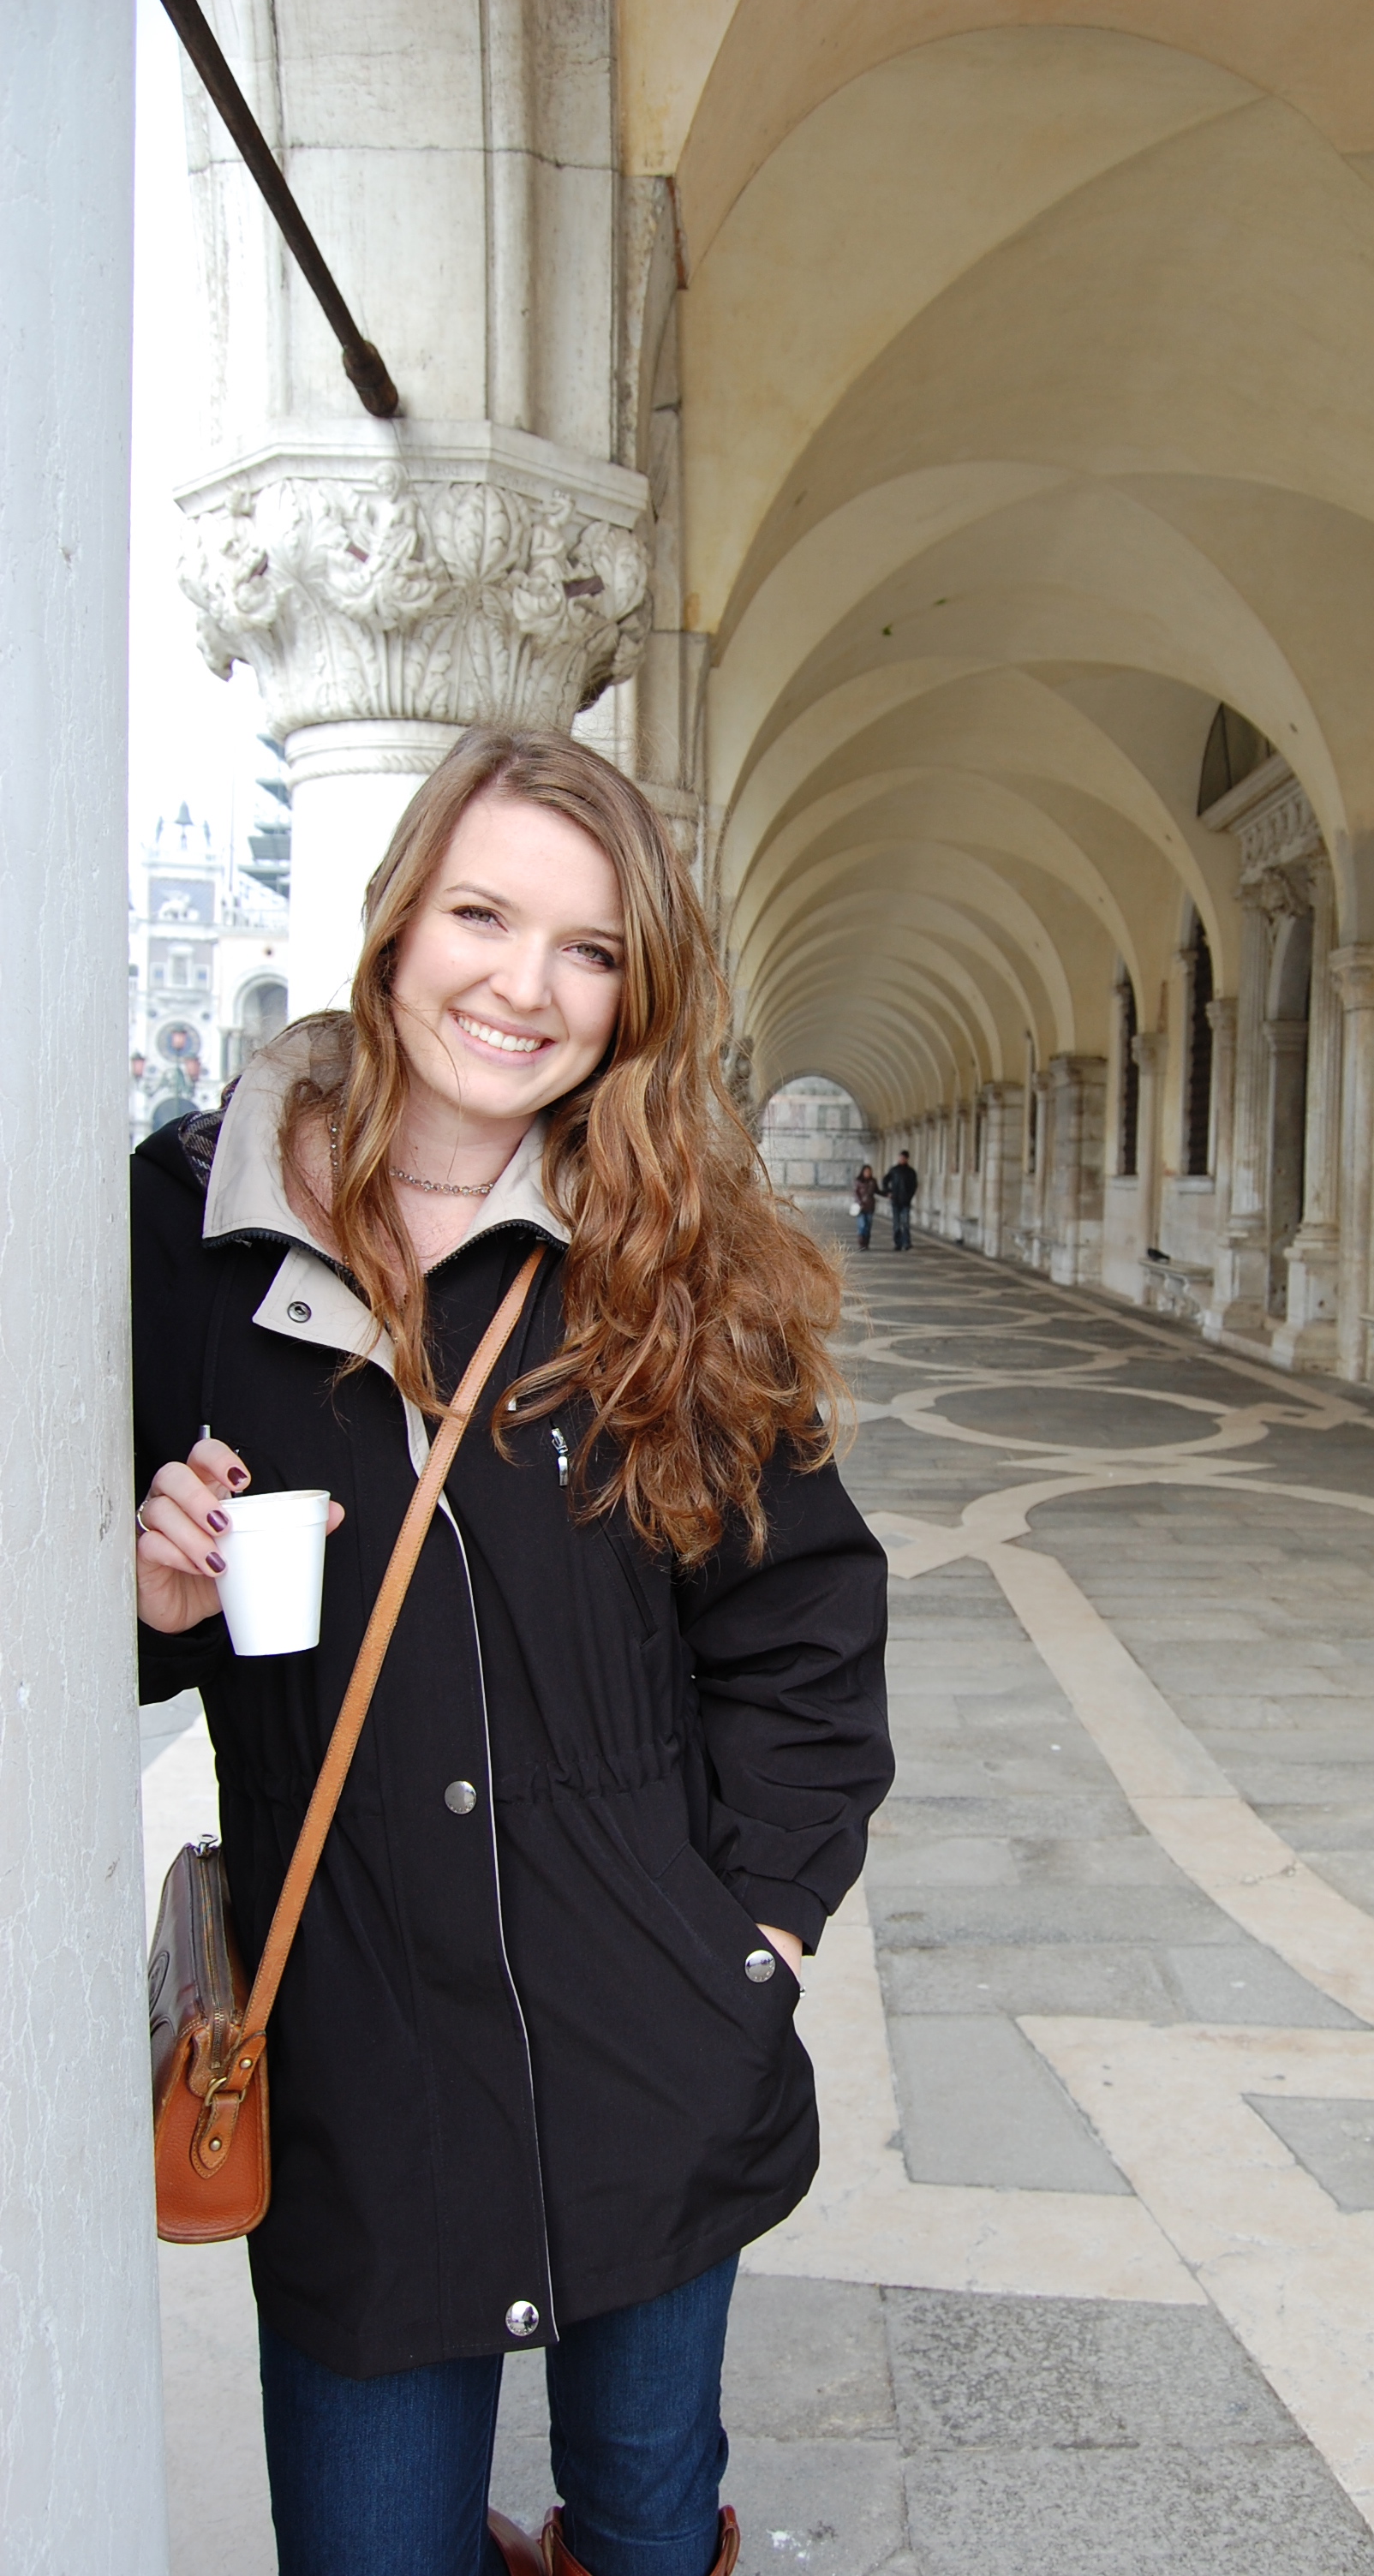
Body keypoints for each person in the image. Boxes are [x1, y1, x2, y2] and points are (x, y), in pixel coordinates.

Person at [132, 728, 893, 2576]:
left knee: (641, 2523)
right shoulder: (187, 1231)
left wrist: (752, 1950)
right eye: (482, 914)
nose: (523, 985)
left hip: (650, 2044)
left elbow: (801, 1639)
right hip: (357, 2066)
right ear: (396, 927)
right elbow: (70, 1639)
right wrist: (143, 1597)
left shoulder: (676, 1262)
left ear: (637, 993)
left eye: (589, 947)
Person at [881, 1150, 917, 1251]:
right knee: (896, 1223)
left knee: (905, 1223)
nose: (901, 1159)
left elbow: (914, 1186)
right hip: (895, 1200)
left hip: (905, 1201)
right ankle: (898, 1243)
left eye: (903, 1158)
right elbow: (885, 1180)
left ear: (907, 1159)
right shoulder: (894, 1170)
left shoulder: (911, 1172)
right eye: (900, 1157)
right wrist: (888, 1192)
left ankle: (907, 1242)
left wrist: (909, 1196)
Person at [851, 1162, 877, 1250]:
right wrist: (859, 1202)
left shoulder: (873, 1181)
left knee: (868, 1226)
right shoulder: (858, 1181)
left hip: (870, 1206)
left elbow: (877, 1191)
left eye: (869, 1172)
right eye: (866, 1171)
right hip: (861, 1207)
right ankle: (861, 1244)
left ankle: (866, 1244)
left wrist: (888, 1194)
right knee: (862, 1225)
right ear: (863, 1172)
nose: (868, 1173)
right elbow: (855, 1193)